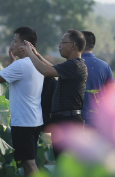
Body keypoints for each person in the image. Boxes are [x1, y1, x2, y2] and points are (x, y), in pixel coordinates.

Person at [0, 26, 44, 177]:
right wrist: (13, 61)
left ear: (24, 44)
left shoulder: (21, 65)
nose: (12, 45)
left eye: (15, 41)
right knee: (28, 162)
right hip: (34, 119)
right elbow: (21, 80)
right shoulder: (37, 63)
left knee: (29, 163)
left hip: (23, 121)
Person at [20, 29, 88, 159]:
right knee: (62, 163)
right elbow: (52, 67)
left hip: (69, 122)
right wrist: (37, 54)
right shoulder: (73, 65)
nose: (59, 46)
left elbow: (46, 71)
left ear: (73, 45)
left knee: (67, 164)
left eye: (63, 42)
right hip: (65, 120)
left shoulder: (74, 66)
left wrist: (29, 53)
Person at [81, 31, 115, 126]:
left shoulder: (72, 65)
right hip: (99, 119)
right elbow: (111, 94)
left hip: (77, 120)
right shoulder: (104, 66)